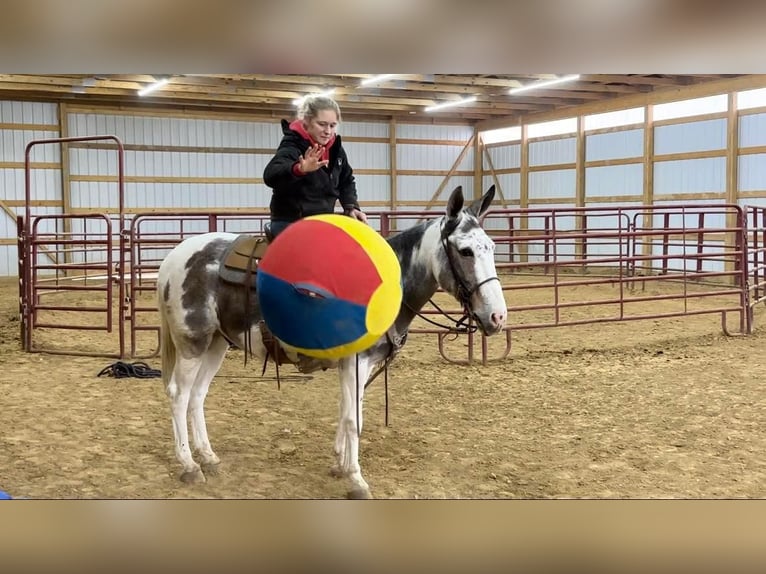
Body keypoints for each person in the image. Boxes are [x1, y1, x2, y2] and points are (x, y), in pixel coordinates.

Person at [263, 95, 367, 239]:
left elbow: (346, 180)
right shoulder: (292, 145)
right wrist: (299, 169)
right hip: (290, 221)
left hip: (323, 220)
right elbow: (271, 175)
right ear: (307, 122)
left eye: (332, 125)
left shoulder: (336, 149)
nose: (328, 131)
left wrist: (351, 206)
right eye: (322, 124)